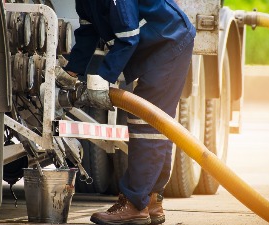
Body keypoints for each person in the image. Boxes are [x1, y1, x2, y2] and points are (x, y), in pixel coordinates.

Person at [60, 0, 196, 224]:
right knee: (157, 124)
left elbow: (128, 38)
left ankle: (135, 205)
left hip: (170, 42)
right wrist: (72, 71)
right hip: (158, 42)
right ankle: (152, 201)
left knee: (147, 124)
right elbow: (88, 31)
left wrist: (103, 79)